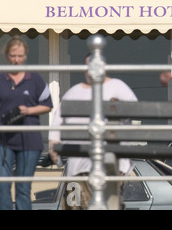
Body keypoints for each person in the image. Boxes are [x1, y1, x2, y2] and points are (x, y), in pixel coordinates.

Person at [49, 53, 138, 210]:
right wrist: (53, 143)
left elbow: (133, 116)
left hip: (110, 166)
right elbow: (57, 121)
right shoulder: (74, 92)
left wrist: (123, 166)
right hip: (76, 168)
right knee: (73, 206)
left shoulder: (118, 87)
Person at [0, 35, 53, 210]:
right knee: (2, 186)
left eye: (20, 56)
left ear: (26, 56)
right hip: (4, 140)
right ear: (7, 55)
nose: (17, 60)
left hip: (30, 140)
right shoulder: (1, 78)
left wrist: (28, 110)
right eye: (13, 56)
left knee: (23, 188)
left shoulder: (35, 79)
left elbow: (48, 105)